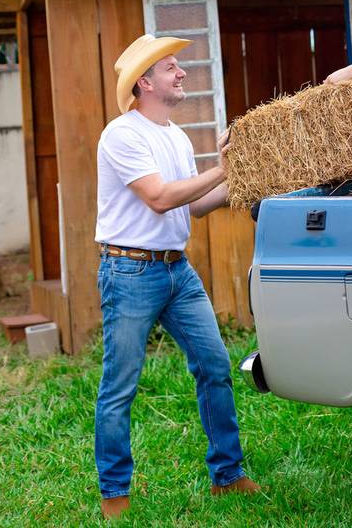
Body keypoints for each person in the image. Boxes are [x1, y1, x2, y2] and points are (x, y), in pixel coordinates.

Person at [94, 34, 260, 520]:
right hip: (129, 272)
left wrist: (245, 178)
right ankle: (114, 493)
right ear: (145, 83)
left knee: (214, 367)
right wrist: (220, 168)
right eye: (171, 68)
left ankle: (227, 477)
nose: (182, 73)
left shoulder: (177, 136)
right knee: (120, 384)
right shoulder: (122, 135)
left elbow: (197, 205)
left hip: (176, 272)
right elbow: (161, 197)